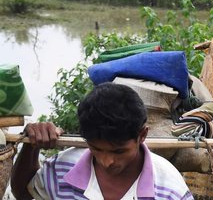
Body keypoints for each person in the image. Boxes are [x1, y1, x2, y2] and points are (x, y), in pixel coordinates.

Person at [11, 83, 193, 200]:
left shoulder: (169, 189)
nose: (107, 162)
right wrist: (30, 145)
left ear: (142, 135)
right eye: (96, 149)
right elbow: (23, 192)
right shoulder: (63, 169)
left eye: (119, 151)